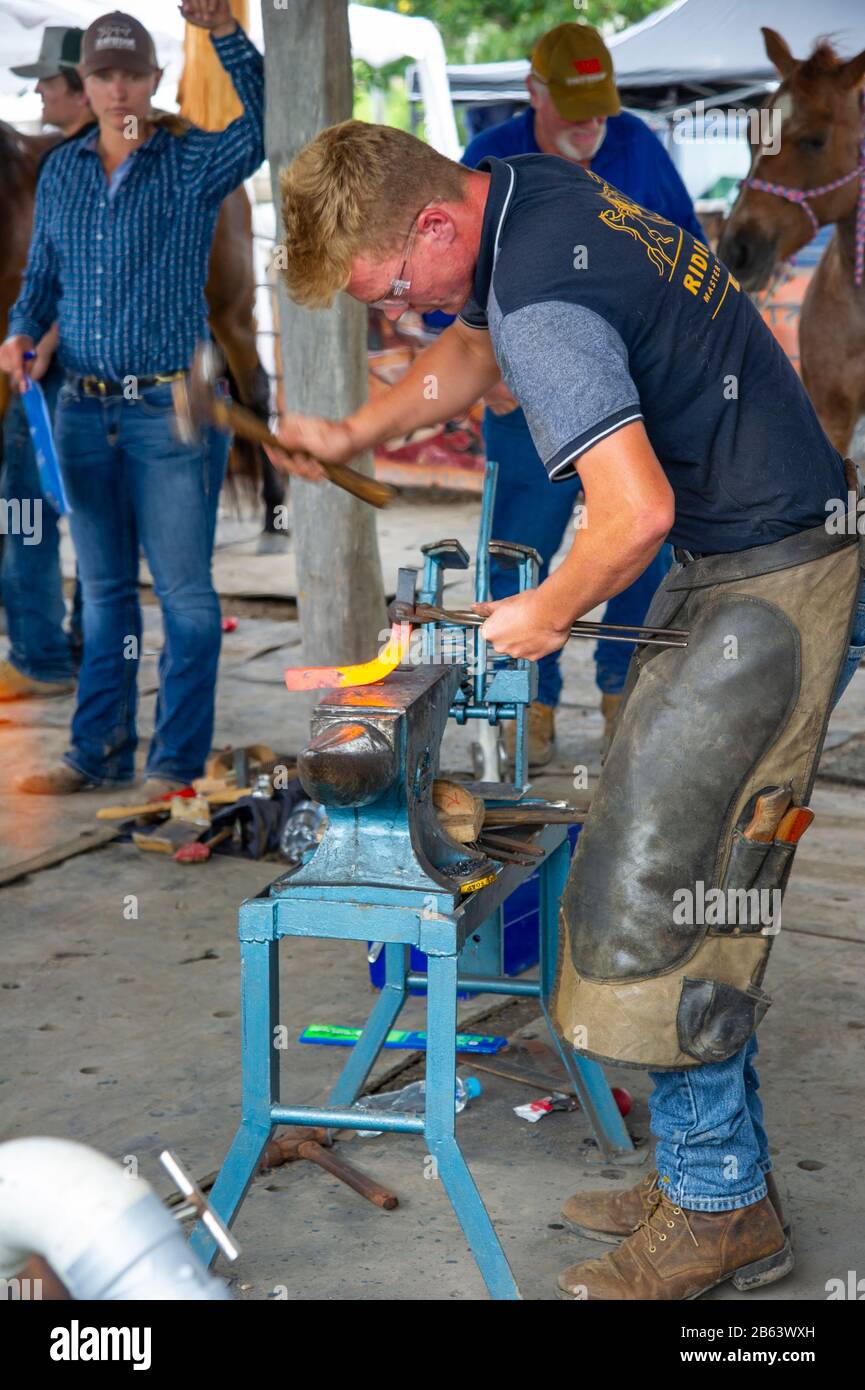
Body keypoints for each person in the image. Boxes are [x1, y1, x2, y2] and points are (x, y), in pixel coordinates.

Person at [263, 119, 865, 1299]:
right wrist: (353, 431)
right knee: (674, 850)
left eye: (390, 287)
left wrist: (545, 607)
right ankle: (716, 1173)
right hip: (752, 540)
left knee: (660, 877)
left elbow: (629, 513)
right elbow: (470, 359)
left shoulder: (540, 296)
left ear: (436, 223)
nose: (397, 317)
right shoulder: (531, 194)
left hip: (773, 570)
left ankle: (716, 1211)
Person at [0, 4, 264, 796]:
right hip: (80, 411)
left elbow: (269, 122)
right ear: (84, 84)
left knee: (183, 595)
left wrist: (224, 33)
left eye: (131, 74)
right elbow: (41, 281)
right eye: (102, 75)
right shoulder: (66, 173)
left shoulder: (193, 165)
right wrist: (20, 330)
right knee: (107, 591)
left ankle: (175, 765)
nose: (117, 89)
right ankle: (98, 751)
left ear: (154, 81)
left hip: (168, 412)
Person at [430, 23, 705, 764]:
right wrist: (485, 375)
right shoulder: (488, 162)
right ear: (533, 91)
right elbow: (435, 293)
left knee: (641, 543)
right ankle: (530, 701)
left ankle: (623, 687)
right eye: (573, 109)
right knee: (519, 550)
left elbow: (689, 255)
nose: (589, 126)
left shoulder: (638, 146)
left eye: (599, 109)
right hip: (525, 404)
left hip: (634, 399)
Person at [0, 27, 90, 701]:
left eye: (47, 82)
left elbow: (91, 273)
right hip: (54, 361)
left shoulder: (73, 166)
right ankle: (69, 645)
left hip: (61, 371)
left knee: (26, 506)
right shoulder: (69, 161)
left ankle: (40, 655)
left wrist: (45, 336)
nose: (35, 91)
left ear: (79, 85)